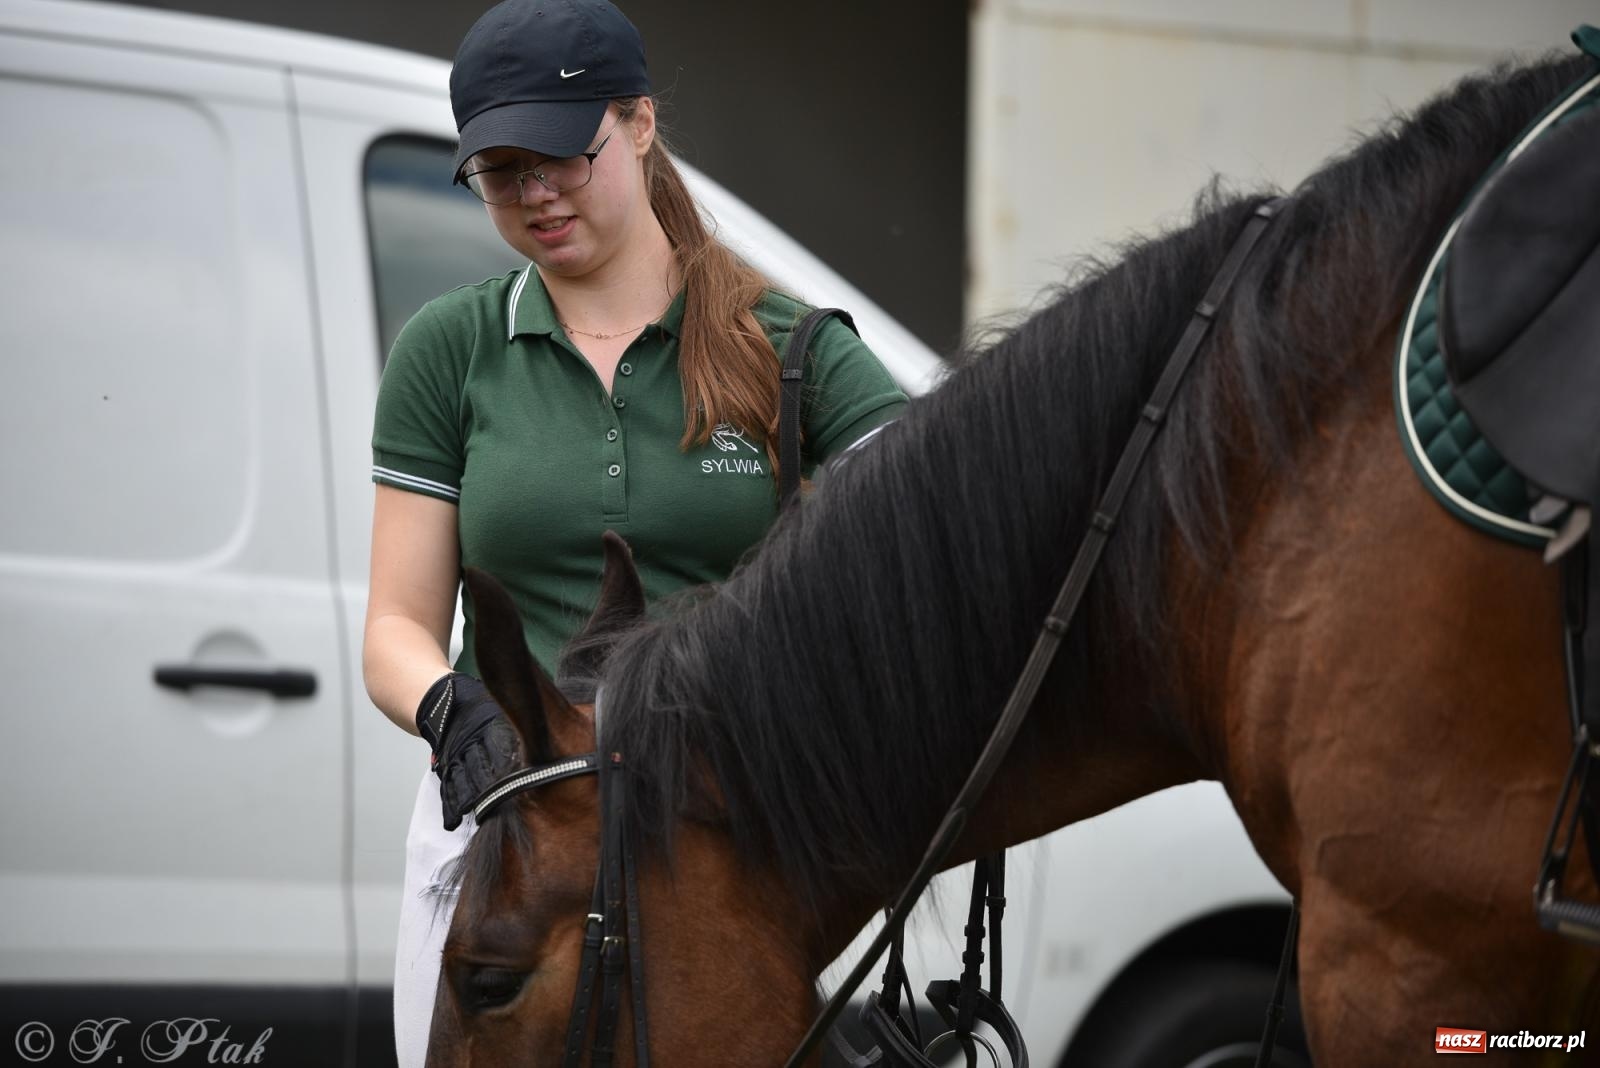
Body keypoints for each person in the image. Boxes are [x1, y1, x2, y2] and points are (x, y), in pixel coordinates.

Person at [360, 0, 908, 1061]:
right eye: (500, 171)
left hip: (713, 836)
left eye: (562, 156)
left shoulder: (790, 349)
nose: (533, 195)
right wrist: (447, 709)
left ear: (641, 123)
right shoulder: (448, 349)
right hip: (505, 829)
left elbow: (929, 543)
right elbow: (394, 622)